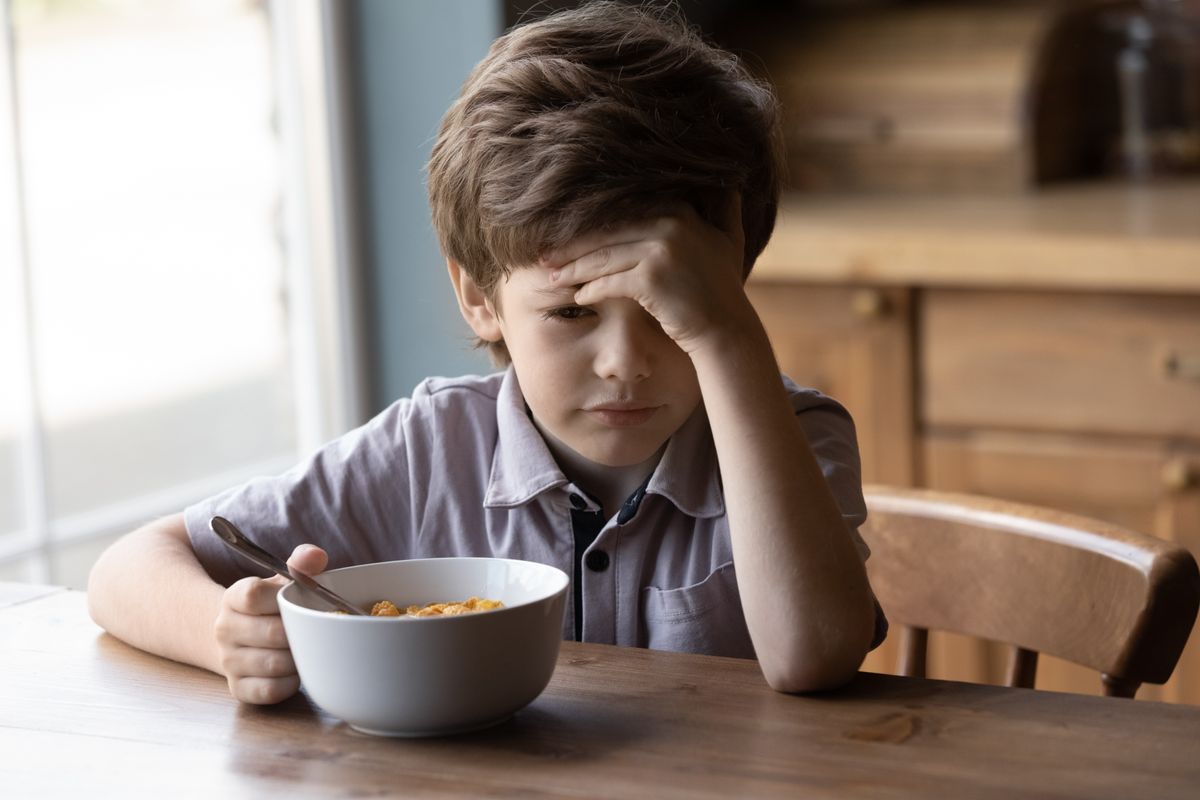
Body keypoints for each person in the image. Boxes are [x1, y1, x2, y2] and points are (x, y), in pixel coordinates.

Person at [87, 1, 885, 705]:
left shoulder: (796, 434)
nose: (625, 362)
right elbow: (124, 570)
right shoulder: (428, 452)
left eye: (669, 312)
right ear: (479, 297)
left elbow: (811, 655)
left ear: (729, 284)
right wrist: (222, 634)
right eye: (572, 314)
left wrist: (727, 337)